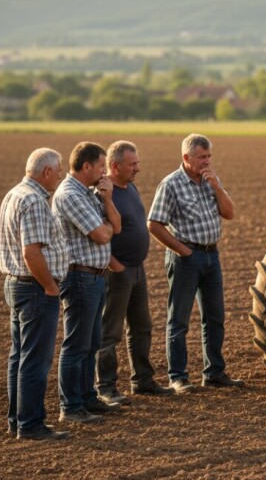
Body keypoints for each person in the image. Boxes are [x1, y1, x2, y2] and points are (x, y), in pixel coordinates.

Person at [148, 133, 243, 393]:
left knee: (215, 317)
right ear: (186, 157)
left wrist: (217, 188)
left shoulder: (211, 180)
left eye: (209, 156)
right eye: (202, 157)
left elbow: (229, 213)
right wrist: (182, 250)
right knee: (179, 320)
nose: (207, 161)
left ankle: (214, 373)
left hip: (212, 256)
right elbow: (154, 224)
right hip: (185, 258)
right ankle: (178, 377)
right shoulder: (171, 184)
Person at [0, 147, 70, 440]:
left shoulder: (14, 194)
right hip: (36, 287)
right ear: (47, 172)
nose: (61, 176)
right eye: (59, 171)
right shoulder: (34, 201)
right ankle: (30, 425)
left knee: (19, 356)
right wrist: (50, 286)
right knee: (35, 360)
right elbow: (31, 252)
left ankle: (17, 421)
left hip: (16, 284)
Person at [96, 140, 174, 404]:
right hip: (116, 272)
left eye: (138, 163)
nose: (138, 168)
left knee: (142, 327)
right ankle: (105, 387)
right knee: (110, 331)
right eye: (132, 164)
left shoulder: (130, 187)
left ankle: (142, 381)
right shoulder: (102, 194)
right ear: (115, 166)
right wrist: (114, 264)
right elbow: (96, 235)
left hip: (137, 270)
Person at [52, 141, 122, 423]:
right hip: (79, 276)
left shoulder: (92, 193)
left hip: (95, 276)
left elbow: (116, 226)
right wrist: (106, 227)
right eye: (101, 166)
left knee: (91, 342)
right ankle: (70, 407)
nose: (105, 172)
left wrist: (107, 200)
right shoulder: (70, 195)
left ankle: (88, 398)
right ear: (86, 166)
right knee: (76, 345)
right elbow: (102, 235)